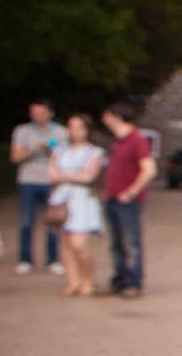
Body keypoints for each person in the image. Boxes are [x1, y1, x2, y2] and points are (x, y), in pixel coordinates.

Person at [48, 114, 107, 297]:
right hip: (63, 198)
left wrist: (64, 175)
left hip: (82, 199)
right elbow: (51, 174)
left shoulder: (94, 152)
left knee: (79, 243)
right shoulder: (60, 150)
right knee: (65, 243)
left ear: (87, 130)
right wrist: (73, 175)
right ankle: (73, 282)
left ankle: (87, 280)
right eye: (72, 127)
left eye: (79, 127)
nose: (75, 131)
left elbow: (89, 176)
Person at [101, 103, 155, 298]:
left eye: (106, 116)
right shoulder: (117, 141)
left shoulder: (137, 140)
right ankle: (119, 280)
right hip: (112, 199)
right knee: (116, 243)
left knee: (131, 242)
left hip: (128, 202)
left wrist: (131, 192)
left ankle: (134, 282)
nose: (104, 120)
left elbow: (149, 170)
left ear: (117, 117)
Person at [10, 99, 64, 275]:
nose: (36, 116)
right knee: (26, 222)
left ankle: (53, 260)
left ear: (50, 113)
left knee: (52, 222)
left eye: (40, 113)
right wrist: (34, 148)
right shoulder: (22, 131)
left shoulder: (61, 132)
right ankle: (25, 259)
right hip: (28, 181)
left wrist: (50, 149)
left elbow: (66, 157)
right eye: (33, 113)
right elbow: (15, 157)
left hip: (51, 182)